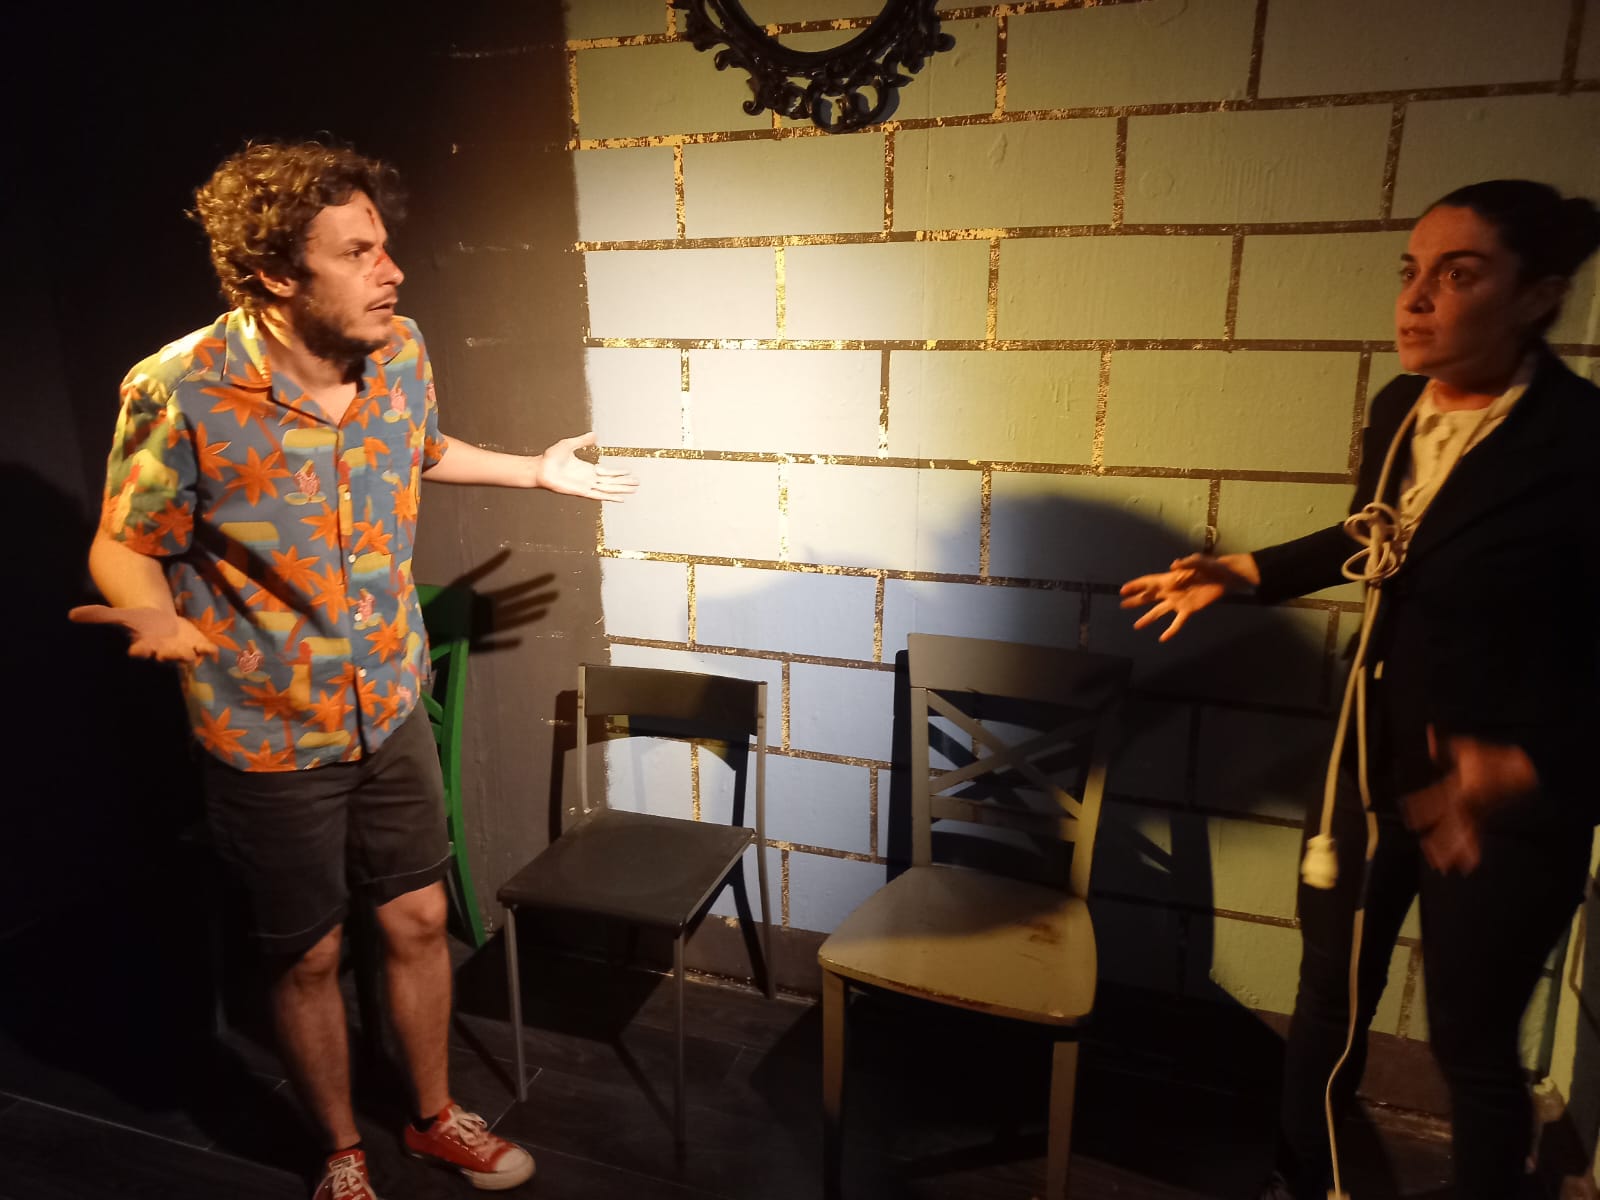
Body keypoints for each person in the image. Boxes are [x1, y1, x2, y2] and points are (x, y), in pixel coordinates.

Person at [69, 141, 638, 1200]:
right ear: (276, 273)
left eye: (385, 245)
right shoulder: (179, 386)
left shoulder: (401, 349)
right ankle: (340, 1150)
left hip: (389, 700)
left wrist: (534, 472)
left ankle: (432, 1117)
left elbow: (421, 449)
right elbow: (125, 537)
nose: (393, 271)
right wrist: (150, 611)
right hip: (264, 720)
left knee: (417, 919)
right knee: (310, 954)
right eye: (358, 253)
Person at [1119, 180, 1600, 1200]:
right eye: (1410, 272)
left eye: (1457, 276)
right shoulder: (1400, 410)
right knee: (1326, 1007)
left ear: (1537, 296)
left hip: (1501, 807)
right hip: (1367, 763)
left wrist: (1522, 765)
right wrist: (1243, 572)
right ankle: (1314, 1184)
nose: (1414, 301)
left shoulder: (1579, 441)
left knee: (1470, 1044)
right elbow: (1378, 537)